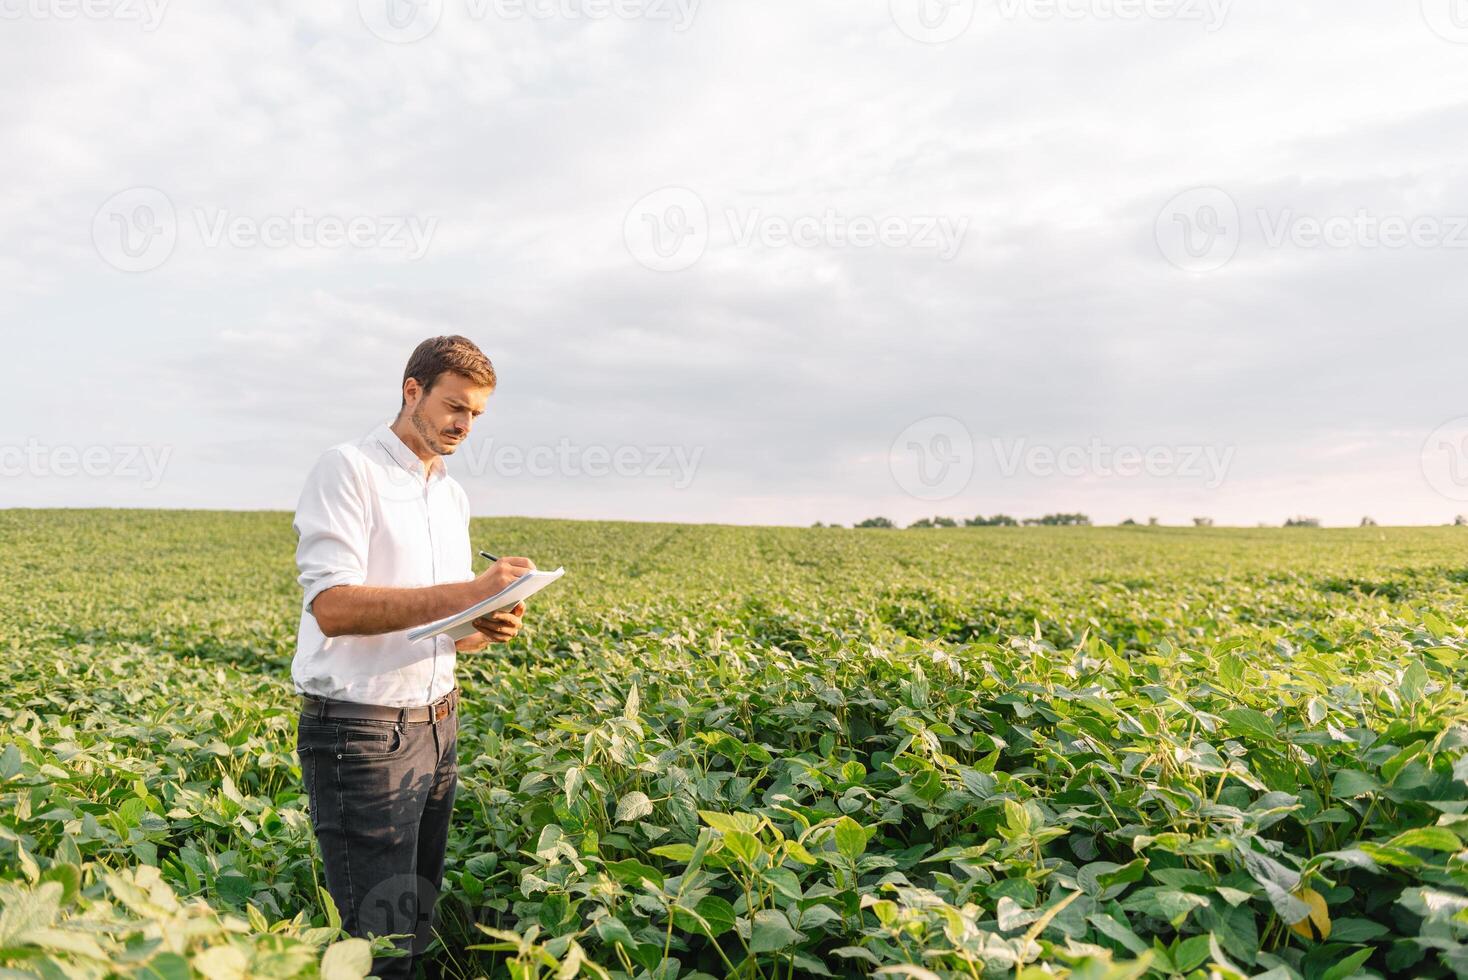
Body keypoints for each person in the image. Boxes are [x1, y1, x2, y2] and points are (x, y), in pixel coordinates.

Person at [290, 335, 533, 978]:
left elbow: (438, 623)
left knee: (414, 925)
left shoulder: (449, 494)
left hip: (437, 724)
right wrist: (474, 590)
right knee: (379, 944)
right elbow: (333, 607)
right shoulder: (348, 469)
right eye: (455, 407)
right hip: (363, 730)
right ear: (411, 390)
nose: (464, 425)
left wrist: (485, 623)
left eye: (476, 415)